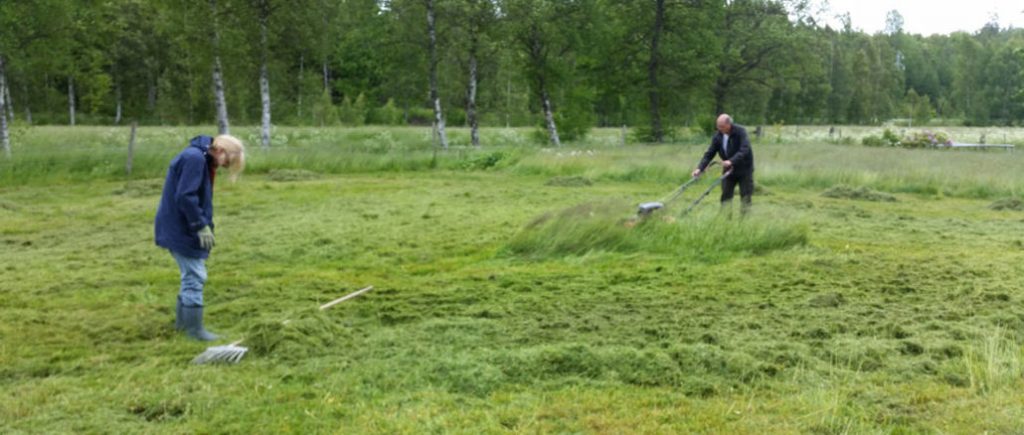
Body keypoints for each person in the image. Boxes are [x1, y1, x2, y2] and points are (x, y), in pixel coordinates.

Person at [155, 134, 245, 341]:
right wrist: (200, 225)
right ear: (221, 151)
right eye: (227, 162)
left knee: (190, 275)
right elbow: (186, 196)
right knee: (196, 276)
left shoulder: (198, 157)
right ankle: (194, 331)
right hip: (181, 227)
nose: (224, 167)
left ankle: (182, 326)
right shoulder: (194, 159)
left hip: (181, 226)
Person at [692, 114, 755, 214]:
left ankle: (744, 223)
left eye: (721, 126)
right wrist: (699, 168)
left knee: (745, 196)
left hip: (744, 169)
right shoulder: (718, 136)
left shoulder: (740, 131)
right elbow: (709, 153)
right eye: (718, 126)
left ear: (729, 124)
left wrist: (731, 161)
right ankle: (726, 221)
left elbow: (744, 149)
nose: (719, 129)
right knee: (725, 196)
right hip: (728, 170)